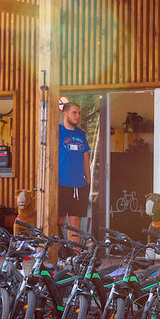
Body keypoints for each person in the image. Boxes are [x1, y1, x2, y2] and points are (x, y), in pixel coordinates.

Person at [57, 98, 90, 242]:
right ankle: (57, 251)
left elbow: (85, 157)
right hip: (61, 183)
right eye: (74, 112)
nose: (78, 116)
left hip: (79, 184)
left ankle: (75, 253)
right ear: (65, 114)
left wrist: (88, 180)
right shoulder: (58, 131)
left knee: (75, 222)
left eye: (79, 113)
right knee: (58, 220)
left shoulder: (81, 134)